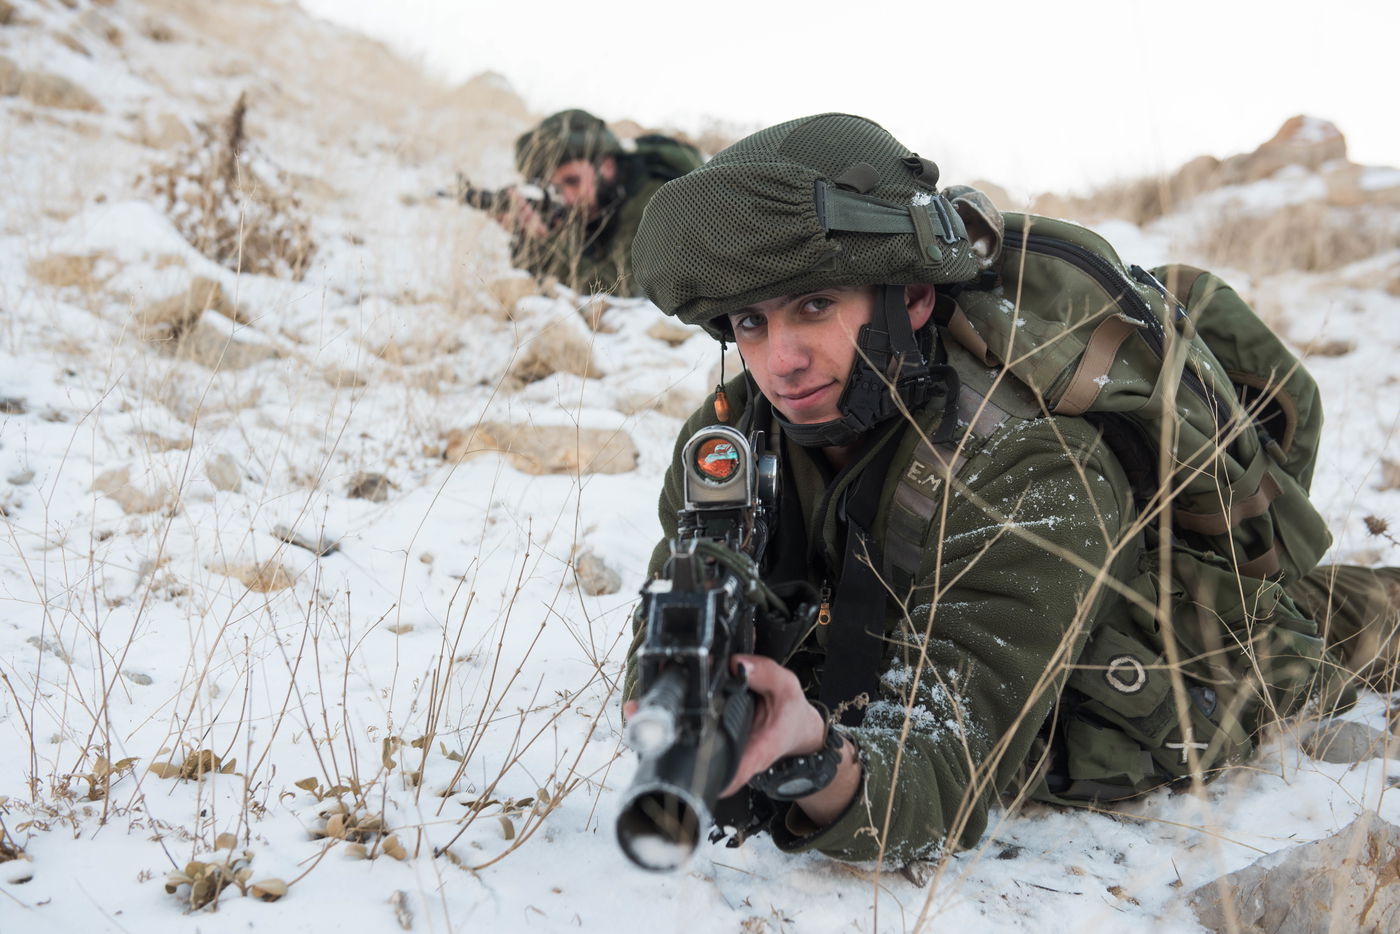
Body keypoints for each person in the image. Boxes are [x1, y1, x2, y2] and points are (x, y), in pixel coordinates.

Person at [622, 112, 1400, 866]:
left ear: (914, 297)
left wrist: (819, 765)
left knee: (1328, 633)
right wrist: (684, 692)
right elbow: (688, 601)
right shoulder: (731, 437)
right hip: (926, 614)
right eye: (750, 323)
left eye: (816, 306)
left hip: (1174, 649)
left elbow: (949, 765)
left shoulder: (1034, 462)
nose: (780, 359)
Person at [497, 109, 702, 296]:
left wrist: (544, 243)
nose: (566, 198)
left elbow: (620, 289)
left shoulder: (657, 201)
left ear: (606, 166)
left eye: (572, 181)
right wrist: (526, 238)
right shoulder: (593, 204)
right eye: (556, 188)